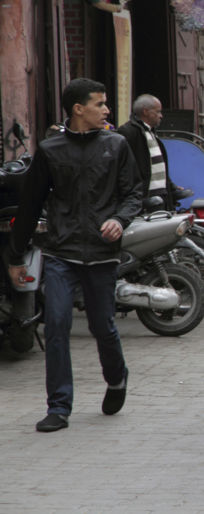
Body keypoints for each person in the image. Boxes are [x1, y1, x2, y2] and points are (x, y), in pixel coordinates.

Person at [7, 78, 142, 432]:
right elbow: (30, 203)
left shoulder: (117, 145)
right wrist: (16, 256)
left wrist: (119, 219)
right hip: (61, 252)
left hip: (101, 253)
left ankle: (116, 378)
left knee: (102, 326)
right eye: (100, 104)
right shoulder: (50, 151)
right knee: (56, 324)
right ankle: (59, 407)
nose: (107, 110)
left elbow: (133, 193)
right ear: (79, 109)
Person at [117, 94, 182, 211]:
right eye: (158, 112)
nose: (161, 116)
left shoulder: (151, 132)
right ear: (146, 111)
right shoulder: (128, 132)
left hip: (161, 196)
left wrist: (171, 186)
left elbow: (158, 166)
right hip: (145, 200)